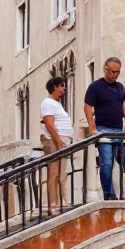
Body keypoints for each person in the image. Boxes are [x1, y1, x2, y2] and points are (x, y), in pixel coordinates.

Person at [83, 57, 125, 200]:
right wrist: (92, 127)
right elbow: (87, 106)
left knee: (121, 161)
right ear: (106, 69)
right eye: (112, 71)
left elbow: (120, 103)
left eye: (117, 72)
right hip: (102, 128)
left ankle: (120, 193)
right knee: (106, 162)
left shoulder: (120, 87)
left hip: (118, 129)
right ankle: (109, 195)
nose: (114, 74)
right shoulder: (95, 86)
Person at [41, 75, 73, 212]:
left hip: (61, 141)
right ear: (54, 87)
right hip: (53, 142)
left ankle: (62, 202)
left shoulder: (57, 103)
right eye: (62, 85)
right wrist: (59, 142)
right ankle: (53, 204)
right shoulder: (48, 103)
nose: (64, 88)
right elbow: (49, 124)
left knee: (61, 173)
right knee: (54, 173)